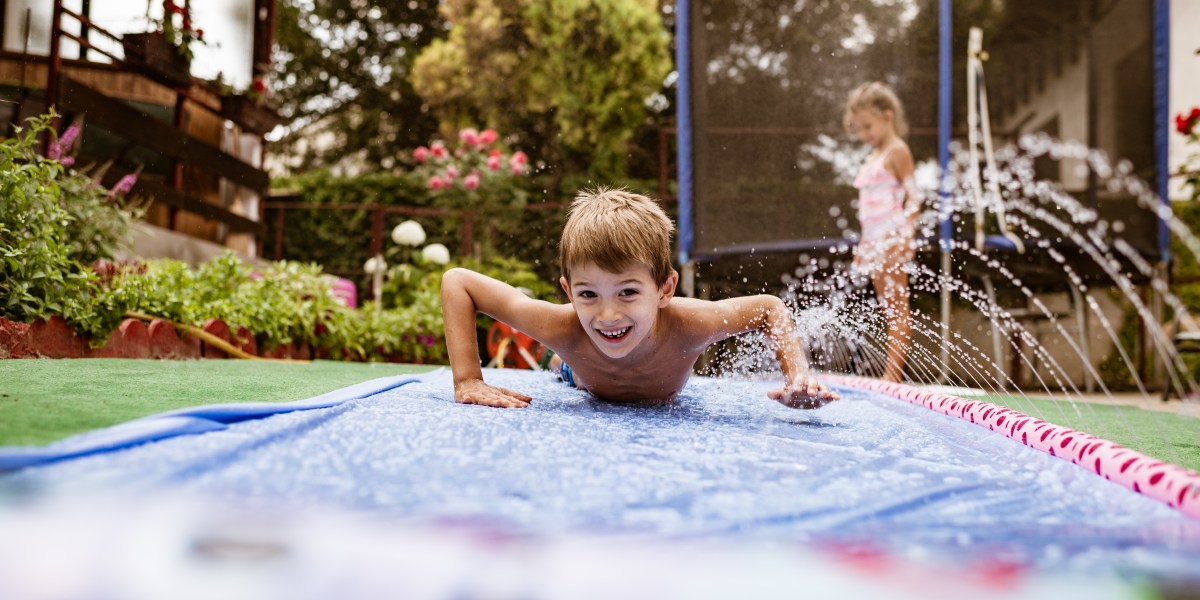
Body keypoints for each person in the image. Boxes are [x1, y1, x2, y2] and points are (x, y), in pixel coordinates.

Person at [441, 188, 840, 409]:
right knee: (564, 363)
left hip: (597, 360)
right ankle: (554, 359)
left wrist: (797, 378)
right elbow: (458, 281)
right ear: (568, 291)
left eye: (628, 292)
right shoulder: (563, 324)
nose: (608, 313)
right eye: (588, 294)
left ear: (665, 289)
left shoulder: (690, 324)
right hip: (577, 373)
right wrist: (468, 379)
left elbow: (769, 308)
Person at [844, 82, 920, 383]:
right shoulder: (872, 157)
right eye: (859, 129)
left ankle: (893, 375)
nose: (864, 134)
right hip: (875, 239)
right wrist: (864, 243)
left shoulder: (898, 151)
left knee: (897, 306)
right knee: (887, 306)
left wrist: (906, 235)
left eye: (867, 126)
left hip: (891, 235)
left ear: (887, 116)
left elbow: (914, 197)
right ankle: (890, 373)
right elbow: (867, 209)